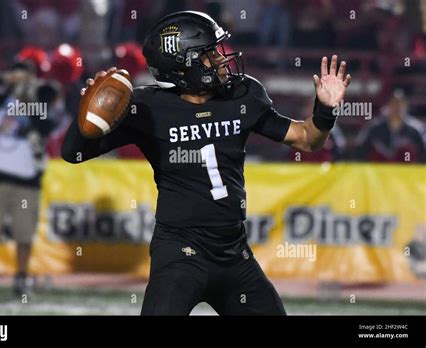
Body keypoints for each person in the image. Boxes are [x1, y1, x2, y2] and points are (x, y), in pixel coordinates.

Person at [62, 11, 351, 315]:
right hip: (180, 253)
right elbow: (73, 153)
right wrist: (88, 115)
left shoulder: (241, 95)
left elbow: (307, 139)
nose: (221, 58)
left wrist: (326, 110)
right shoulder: (147, 108)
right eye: (209, 53)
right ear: (183, 65)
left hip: (233, 252)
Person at [0, 63, 61, 298]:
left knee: (24, 233)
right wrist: (3, 79)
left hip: (26, 182)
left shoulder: (40, 100)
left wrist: (31, 92)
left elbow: (48, 121)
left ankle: (21, 277)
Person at [355, 90, 425, 163]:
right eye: (394, 104)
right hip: (378, 170)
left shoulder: (416, 129)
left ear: (406, 106)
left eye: (401, 104)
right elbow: (361, 148)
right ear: (388, 105)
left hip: (407, 170)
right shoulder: (374, 127)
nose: (397, 107)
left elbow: (423, 151)